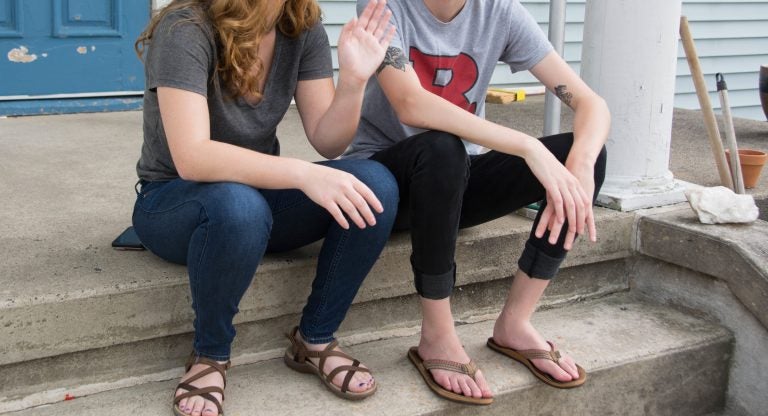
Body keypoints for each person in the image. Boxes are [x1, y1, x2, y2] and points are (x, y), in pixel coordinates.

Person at [132, 1, 397, 415]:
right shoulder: (186, 27)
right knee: (240, 206)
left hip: (254, 201)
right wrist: (303, 175)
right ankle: (210, 355)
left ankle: (315, 339)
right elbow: (193, 157)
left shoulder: (300, 26)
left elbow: (329, 142)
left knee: (374, 183)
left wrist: (353, 82)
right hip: (173, 202)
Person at [344, 0, 610, 405]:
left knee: (581, 155)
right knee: (442, 147)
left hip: (456, 183)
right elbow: (410, 103)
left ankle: (516, 322)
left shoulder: (500, 12)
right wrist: (526, 147)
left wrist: (582, 165)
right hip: (387, 188)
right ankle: (437, 335)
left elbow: (593, 104)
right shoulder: (386, 6)